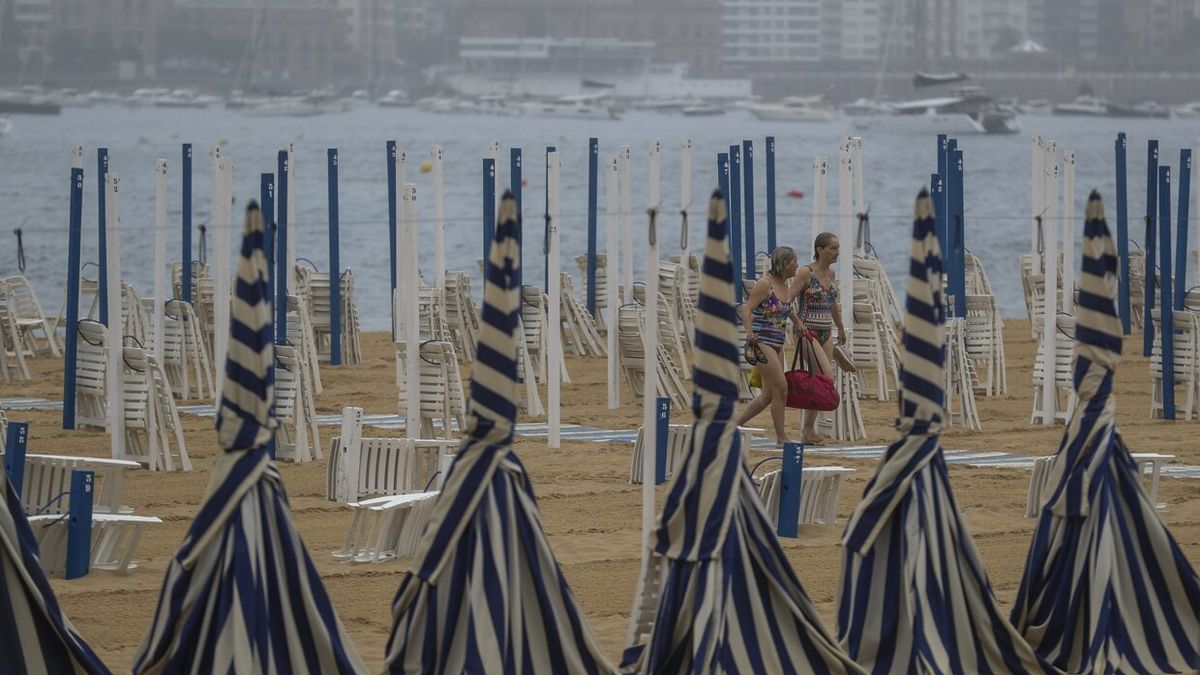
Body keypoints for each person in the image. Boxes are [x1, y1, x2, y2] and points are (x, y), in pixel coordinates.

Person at [735, 246, 804, 445]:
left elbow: (785, 307)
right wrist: (749, 333)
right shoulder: (765, 285)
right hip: (762, 341)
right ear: (784, 264)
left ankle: (732, 426)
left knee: (767, 396)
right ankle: (781, 437)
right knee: (781, 389)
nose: (797, 266)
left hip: (778, 343)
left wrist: (797, 321)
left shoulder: (786, 286)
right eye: (794, 263)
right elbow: (747, 310)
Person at [793, 232, 848, 445]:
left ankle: (808, 430)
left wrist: (840, 328)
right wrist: (796, 323)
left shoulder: (831, 274)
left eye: (838, 248)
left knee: (822, 379)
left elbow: (832, 303)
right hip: (808, 331)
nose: (837, 253)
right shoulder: (806, 272)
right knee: (822, 376)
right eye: (833, 248)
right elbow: (788, 298)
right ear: (820, 250)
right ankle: (807, 430)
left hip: (826, 330)